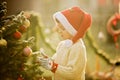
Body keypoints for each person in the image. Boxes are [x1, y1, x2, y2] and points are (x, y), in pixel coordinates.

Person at [38, 6, 92, 80]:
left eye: (63, 28)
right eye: (59, 28)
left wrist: (53, 66)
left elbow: (73, 72)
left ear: (73, 30)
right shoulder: (62, 45)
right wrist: (48, 60)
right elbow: (56, 61)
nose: (59, 31)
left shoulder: (78, 47)